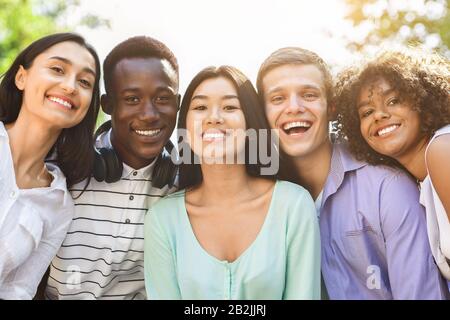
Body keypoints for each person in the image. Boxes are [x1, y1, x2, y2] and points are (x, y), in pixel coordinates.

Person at [256, 47, 448, 299]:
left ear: (332, 107)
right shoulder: (262, 197)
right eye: (278, 98)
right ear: (261, 114)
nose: (294, 107)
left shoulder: (390, 185)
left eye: (309, 94)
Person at [144, 65, 320, 300]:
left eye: (230, 107)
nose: (214, 118)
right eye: (200, 107)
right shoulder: (162, 219)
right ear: (185, 125)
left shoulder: (293, 205)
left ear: (250, 122)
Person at [45, 36, 180, 300]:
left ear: (178, 102)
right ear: (108, 105)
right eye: (132, 99)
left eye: (163, 98)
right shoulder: (62, 165)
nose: (149, 113)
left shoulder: (185, 184)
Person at [0, 32, 101, 299]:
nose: (70, 86)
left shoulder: (59, 206)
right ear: (21, 77)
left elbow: (18, 289)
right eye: (57, 69)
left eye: (84, 81)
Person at [335, 48, 450, 281]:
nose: (379, 115)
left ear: (424, 104)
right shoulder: (419, 181)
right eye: (367, 112)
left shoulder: (441, 150)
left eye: (393, 100)